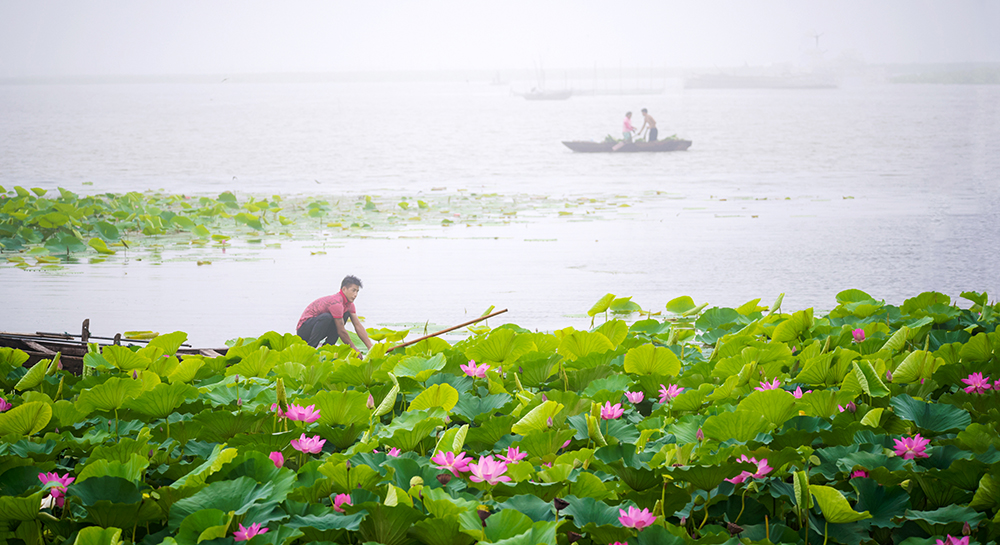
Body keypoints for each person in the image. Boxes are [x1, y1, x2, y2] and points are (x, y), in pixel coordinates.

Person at [296, 275, 373, 352]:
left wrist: (371, 347)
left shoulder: (350, 305)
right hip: (304, 329)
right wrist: (353, 348)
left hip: (319, 329)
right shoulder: (336, 302)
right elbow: (341, 330)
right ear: (344, 289)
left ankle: (327, 348)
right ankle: (311, 348)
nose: (355, 294)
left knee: (345, 315)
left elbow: (358, 325)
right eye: (353, 290)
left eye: (357, 291)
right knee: (327, 317)